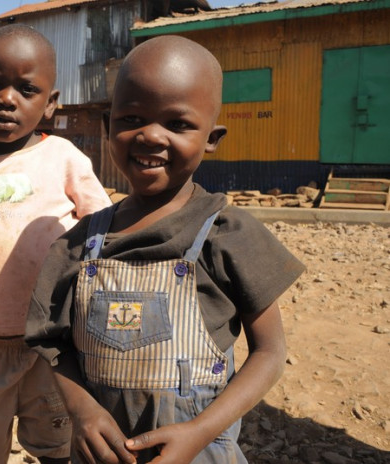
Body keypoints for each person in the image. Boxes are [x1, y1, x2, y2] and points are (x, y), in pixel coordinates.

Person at [25, 35, 306, 464]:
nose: (151, 136)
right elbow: (54, 346)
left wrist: (199, 432)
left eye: (177, 124)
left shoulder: (227, 235)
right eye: (133, 118)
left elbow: (270, 352)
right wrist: (83, 410)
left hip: (198, 451)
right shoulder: (77, 244)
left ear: (212, 138)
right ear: (108, 125)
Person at [0, 24, 112, 464]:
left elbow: (102, 228)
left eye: (26, 89)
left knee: (55, 444)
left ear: (50, 102)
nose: (7, 99)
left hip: (51, 341)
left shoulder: (63, 158)